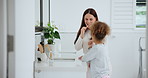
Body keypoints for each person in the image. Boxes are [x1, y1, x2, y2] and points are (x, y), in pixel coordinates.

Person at [74, 8, 99, 78]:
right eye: (86, 19)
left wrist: (85, 57)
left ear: (95, 19)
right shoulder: (84, 31)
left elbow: (100, 50)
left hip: (98, 65)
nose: (88, 21)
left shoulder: (100, 31)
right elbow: (77, 47)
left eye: (91, 19)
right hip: (88, 65)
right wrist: (81, 35)